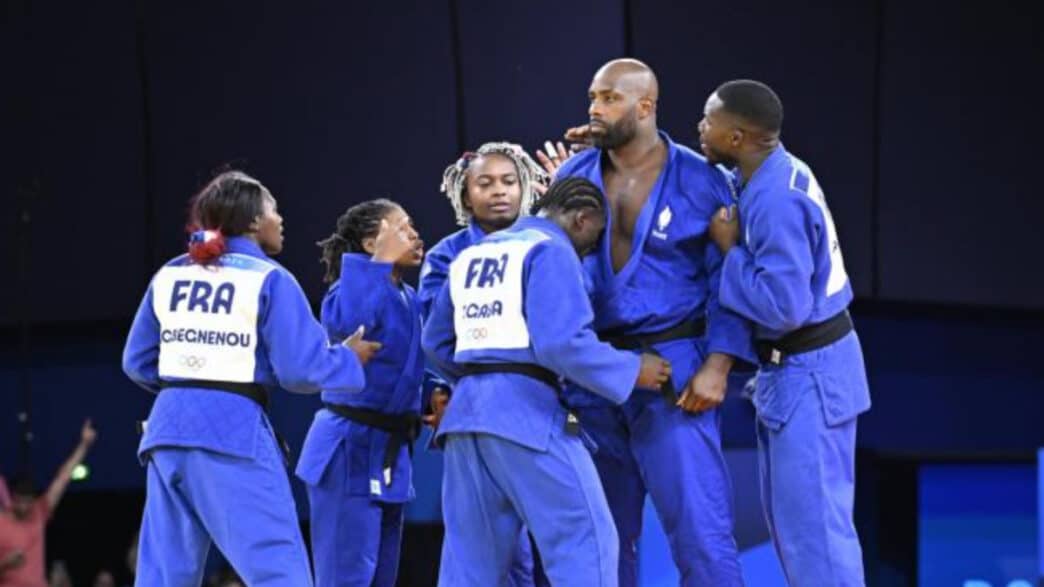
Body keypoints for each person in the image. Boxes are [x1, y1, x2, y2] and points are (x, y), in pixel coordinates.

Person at [541, 58, 756, 587]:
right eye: (592, 96)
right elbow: (550, 274)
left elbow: (727, 277)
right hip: (596, 373)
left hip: (676, 369)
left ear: (644, 106)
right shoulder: (573, 176)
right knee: (600, 538)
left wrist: (720, 365)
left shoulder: (702, 180)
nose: (594, 108)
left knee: (701, 535)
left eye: (609, 97)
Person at [122, 170, 378, 585]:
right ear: (256, 221)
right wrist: (347, 359)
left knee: (163, 575)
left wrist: (192, 381)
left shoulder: (171, 273)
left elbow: (136, 361)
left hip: (165, 431)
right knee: (278, 569)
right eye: (275, 209)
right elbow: (300, 370)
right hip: (231, 432)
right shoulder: (269, 277)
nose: (282, 219)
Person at [423, 176, 672, 586]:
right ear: (582, 219)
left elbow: (434, 341)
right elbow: (562, 344)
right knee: (585, 540)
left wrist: (484, 379)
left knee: (469, 567)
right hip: (527, 417)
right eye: (594, 238)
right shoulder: (550, 249)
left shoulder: (473, 253)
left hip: (466, 422)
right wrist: (632, 369)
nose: (591, 249)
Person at [701, 79, 871, 586]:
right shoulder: (769, 173)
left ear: (737, 136)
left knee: (817, 536)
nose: (701, 128)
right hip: (795, 372)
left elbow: (784, 307)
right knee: (797, 534)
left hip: (811, 372)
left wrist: (730, 251)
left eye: (709, 120)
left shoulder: (775, 198)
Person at [418, 142, 548, 586]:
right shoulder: (445, 255)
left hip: (542, 408)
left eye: (509, 182)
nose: (499, 192)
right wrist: (475, 383)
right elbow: (436, 337)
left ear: (526, 186)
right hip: (473, 409)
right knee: (484, 545)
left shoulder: (545, 244)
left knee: (540, 541)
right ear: (464, 194)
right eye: (485, 183)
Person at [296, 199, 426, 587]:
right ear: (372, 245)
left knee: (381, 577)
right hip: (347, 447)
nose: (415, 234)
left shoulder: (409, 297)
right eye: (402, 228)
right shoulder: (347, 289)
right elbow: (350, 325)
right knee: (345, 578)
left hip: (388, 447)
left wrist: (433, 395)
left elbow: (407, 367)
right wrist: (375, 267)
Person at [0, 420, 96, 587]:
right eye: (20, 501)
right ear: (12, 498)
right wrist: (4, 564)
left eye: (28, 501)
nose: (24, 506)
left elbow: (63, 477)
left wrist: (84, 445)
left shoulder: (39, 511)